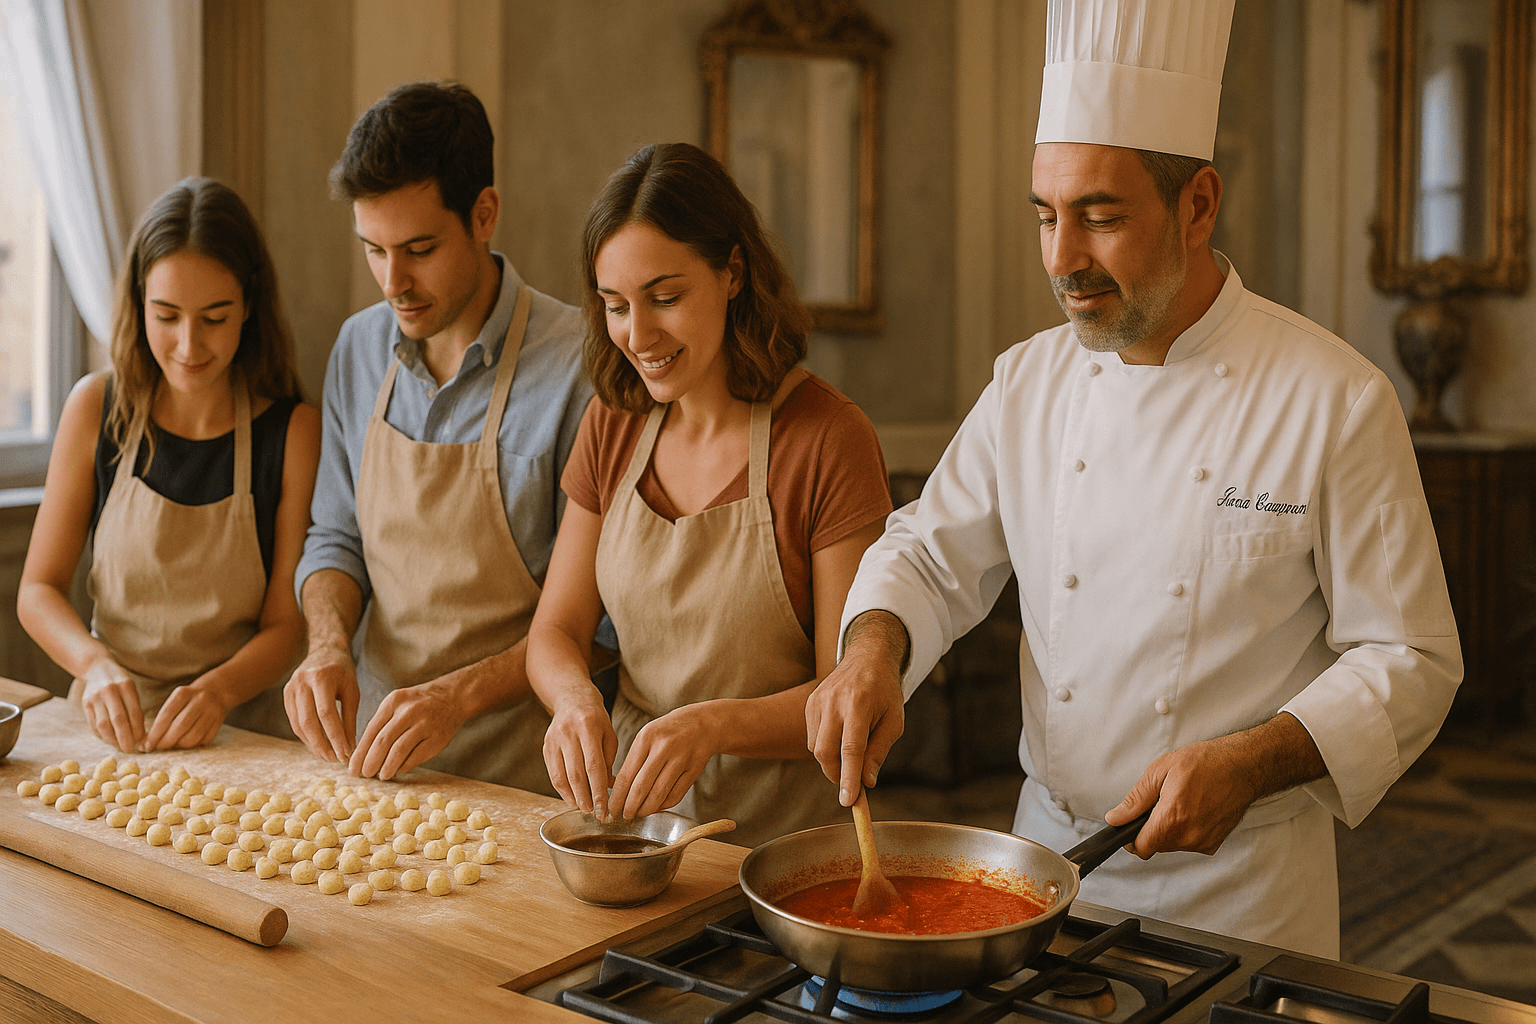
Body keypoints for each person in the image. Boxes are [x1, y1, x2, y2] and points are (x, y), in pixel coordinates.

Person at [805, 0, 1462, 956]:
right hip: (1038, 879)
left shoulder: (1335, 399)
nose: (1063, 260)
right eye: (1046, 217)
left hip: (1242, 902)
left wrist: (1250, 760)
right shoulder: (1028, 381)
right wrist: (871, 648)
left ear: (1199, 204)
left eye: (1101, 218)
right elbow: (928, 552)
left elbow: (1411, 659)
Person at [526, 143, 893, 847]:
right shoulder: (613, 422)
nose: (639, 335)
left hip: (780, 849)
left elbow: (842, 694)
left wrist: (710, 725)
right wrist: (572, 699)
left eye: (666, 298)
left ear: (732, 273)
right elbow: (556, 631)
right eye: (616, 306)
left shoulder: (826, 439)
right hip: (629, 830)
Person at [285, 82, 596, 791]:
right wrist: (327, 644)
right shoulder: (357, 349)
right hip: (375, 764)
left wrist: (456, 697)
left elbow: (599, 628)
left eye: (419, 248)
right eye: (373, 250)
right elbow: (335, 540)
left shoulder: (582, 367)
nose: (393, 282)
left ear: (484, 214)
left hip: (525, 775)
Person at [18, 177, 320, 753]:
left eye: (214, 317)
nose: (188, 344)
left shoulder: (294, 432)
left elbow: (286, 625)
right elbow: (37, 589)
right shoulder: (95, 409)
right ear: (138, 302)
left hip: (239, 728)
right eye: (167, 315)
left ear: (249, 307)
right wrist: (95, 664)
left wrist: (217, 690)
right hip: (106, 723)